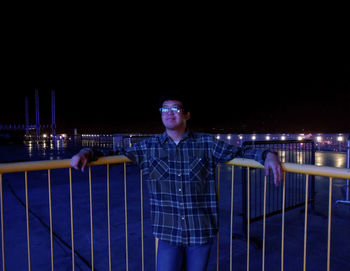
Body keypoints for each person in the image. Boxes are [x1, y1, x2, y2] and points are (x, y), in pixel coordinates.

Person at [70, 90, 283, 271]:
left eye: (175, 108)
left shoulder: (206, 143)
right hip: (167, 231)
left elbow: (241, 150)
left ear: (187, 115)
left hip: (200, 230)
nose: (169, 113)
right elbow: (113, 153)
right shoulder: (149, 147)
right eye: (164, 109)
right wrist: (86, 152)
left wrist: (268, 155)